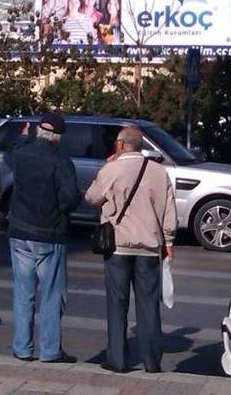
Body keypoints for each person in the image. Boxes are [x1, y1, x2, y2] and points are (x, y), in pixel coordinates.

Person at [85, 127, 177, 374]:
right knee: (149, 306)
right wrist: (168, 241)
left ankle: (117, 359)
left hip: (118, 246)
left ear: (120, 144)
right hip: (149, 247)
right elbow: (169, 210)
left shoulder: (111, 169)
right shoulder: (159, 172)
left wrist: (103, 173)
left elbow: (91, 197)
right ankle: (151, 362)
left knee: (117, 304)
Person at [7, 112, 80, 363]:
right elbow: (69, 200)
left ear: (38, 132)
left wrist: (22, 137)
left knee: (23, 294)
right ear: (58, 137)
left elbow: (13, 151)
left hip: (19, 233)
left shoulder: (21, 155)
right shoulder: (61, 162)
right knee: (51, 296)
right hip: (50, 235)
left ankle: (22, 348)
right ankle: (49, 351)